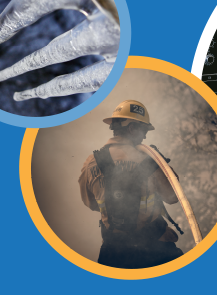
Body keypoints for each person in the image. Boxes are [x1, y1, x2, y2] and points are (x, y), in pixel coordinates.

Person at [79, 100, 184, 268]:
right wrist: (162, 165)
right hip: (155, 251)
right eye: (143, 130)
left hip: (112, 255)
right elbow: (173, 197)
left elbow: (90, 203)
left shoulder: (91, 163)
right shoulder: (150, 162)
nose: (145, 136)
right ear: (132, 128)